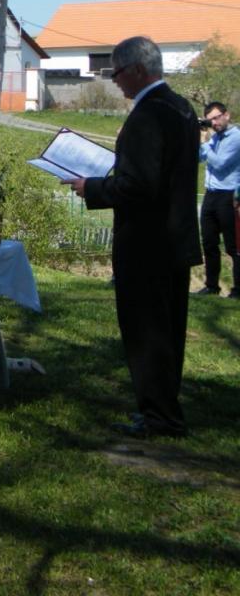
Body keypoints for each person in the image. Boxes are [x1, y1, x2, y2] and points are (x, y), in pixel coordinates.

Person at [66, 36, 200, 439]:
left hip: (146, 243)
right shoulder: (181, 107)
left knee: (147, 333)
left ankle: (159, 416)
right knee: (169, 330)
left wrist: (92, 187)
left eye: (117, 72)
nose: (115, 81)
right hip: (174, 239)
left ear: (138, 70)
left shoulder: (148, 115)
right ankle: (164, 409)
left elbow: (138, 186)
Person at [193, 101, 240, 298]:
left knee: (233, 246)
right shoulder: (214, 138)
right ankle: (212, 285)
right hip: (211, 194)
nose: (214, 123)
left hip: (229, 195)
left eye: (216, 118)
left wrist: (206, 143)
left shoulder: (236, 138)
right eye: (210, 120)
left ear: (226, 115)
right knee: (209, 242)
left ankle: (238, 289)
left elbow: (220, 163)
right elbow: (199, 158)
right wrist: (198, 139)